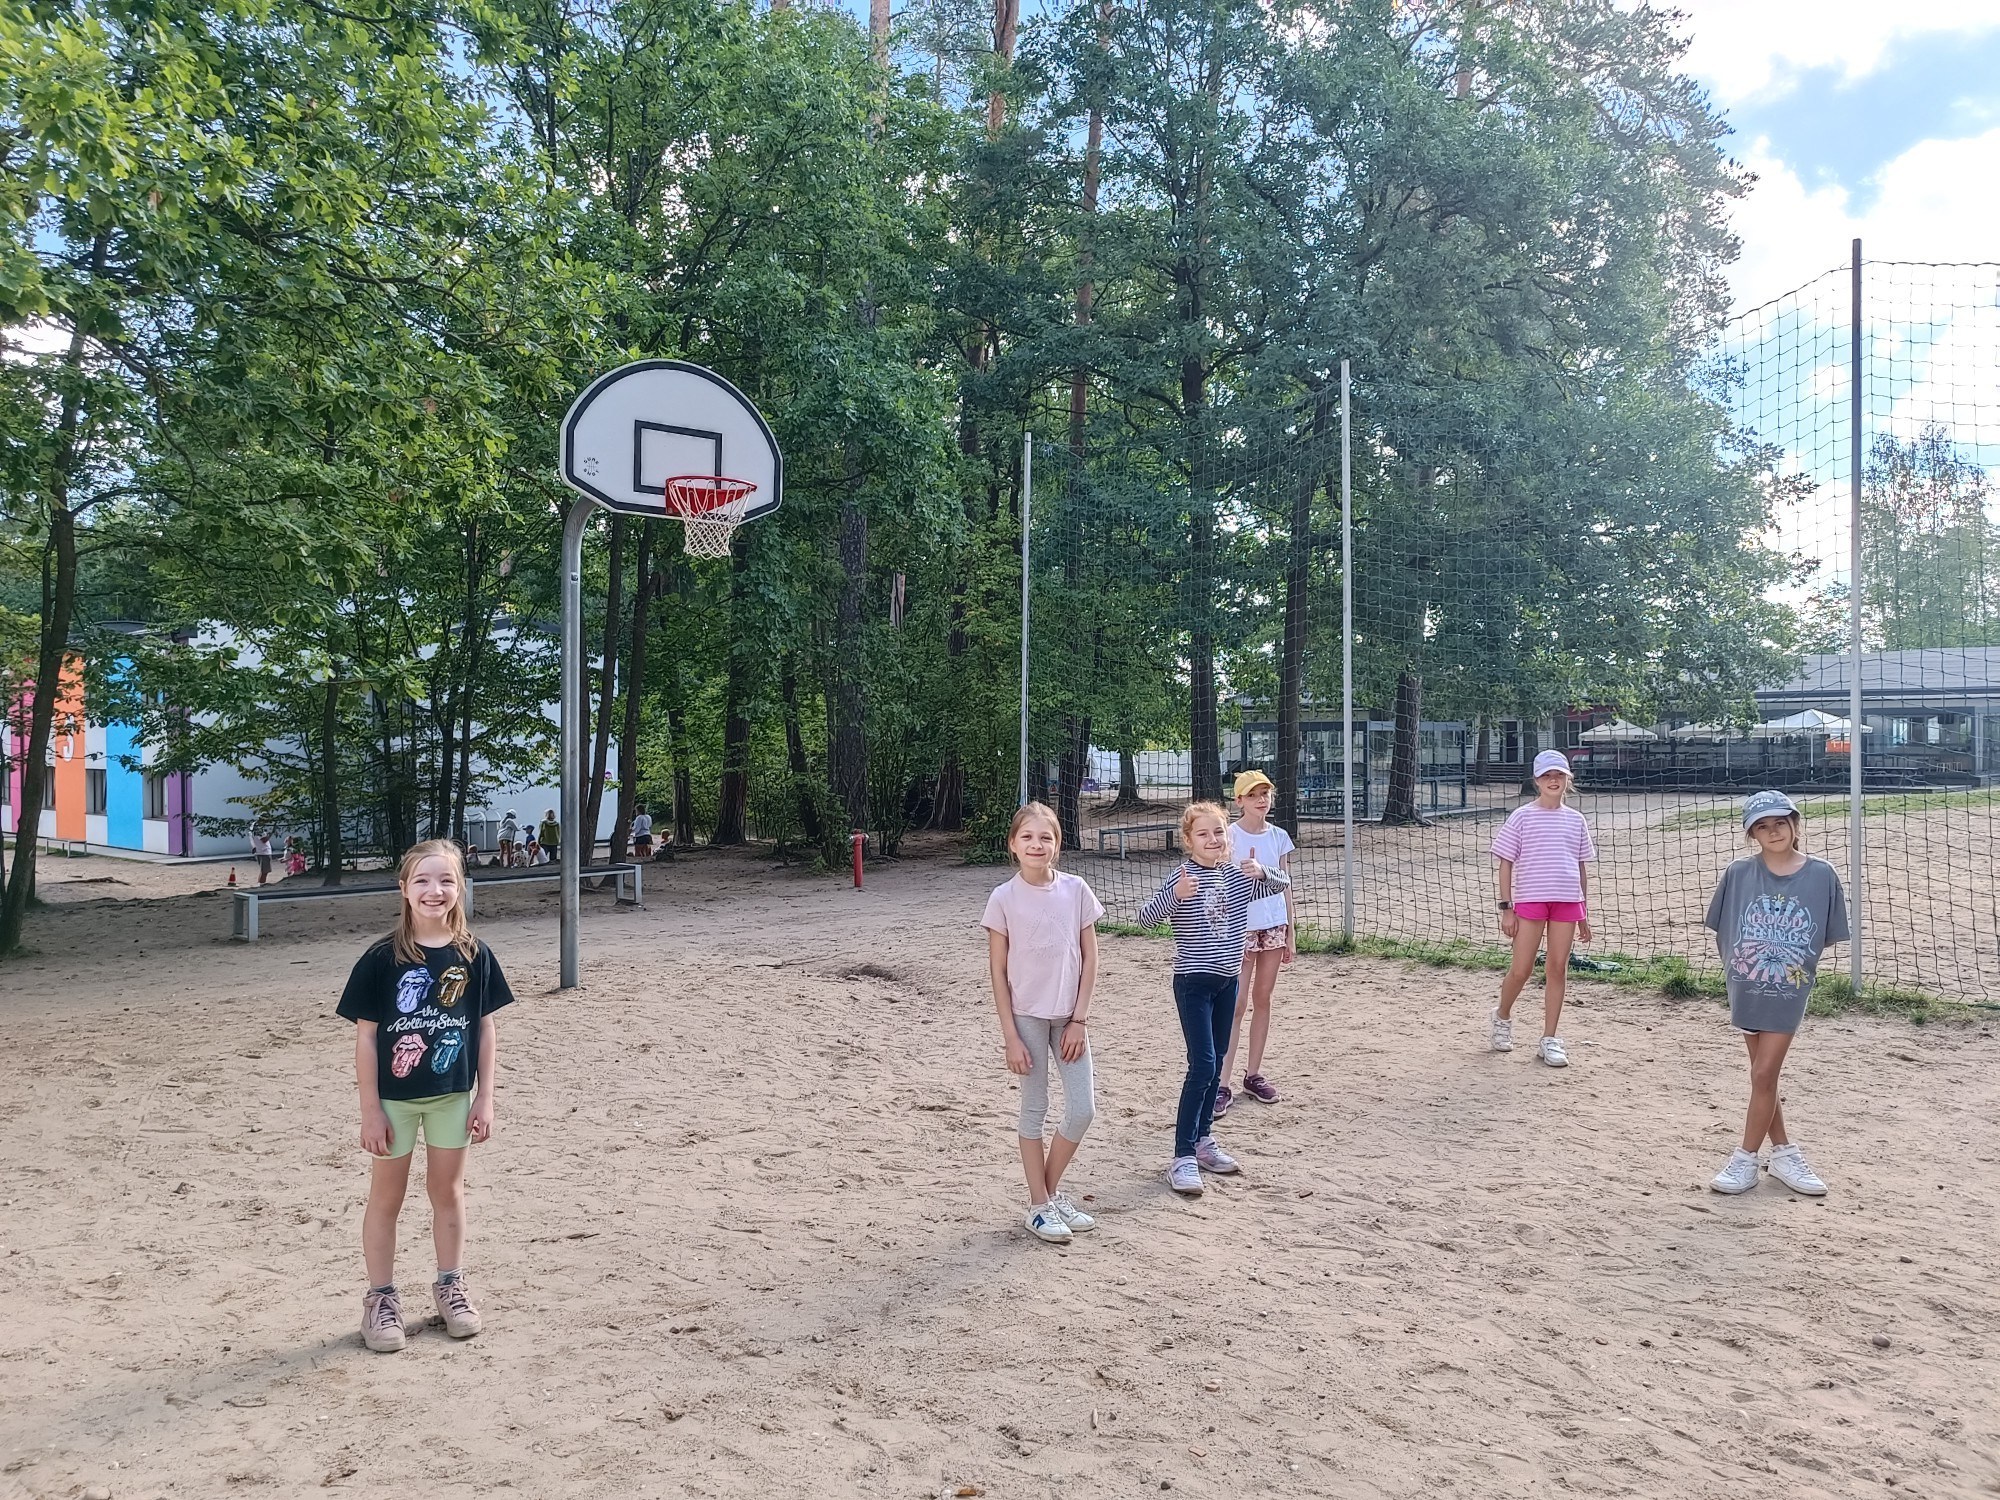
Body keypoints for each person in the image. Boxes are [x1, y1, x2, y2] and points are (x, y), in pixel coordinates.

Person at [336, 838, 516, 1353]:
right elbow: (366, 1038)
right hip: (394, 1100)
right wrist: (370, 1110)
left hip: (451, 1096)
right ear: (403, 888)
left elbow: (485, 1029)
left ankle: (450, 1285)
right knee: (386, 1197)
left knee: (447, 1192)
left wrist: (485, 1097)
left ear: (460, 888)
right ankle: (380, 1299)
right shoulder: (381, 959)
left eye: (445, 880)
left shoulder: (475, 955)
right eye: (422, 880)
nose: (434, 890)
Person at [1139, 801, 1291, 1196]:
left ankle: (1204, 1141)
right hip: (1193, 983)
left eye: (1219, 832)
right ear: (1188, 840)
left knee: (1217, 1059)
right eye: (1203, 833)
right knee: (1203, 1065)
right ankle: (1182, 1156)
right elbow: (1145, 918)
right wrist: (1176, 896)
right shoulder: (1182, 877)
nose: (1213, 839)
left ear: (1228, 836)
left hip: (1227, 983)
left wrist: (1264, 871)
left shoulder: (1239, 876)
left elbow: (1282, 884)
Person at [1704, 790, 1850, 1197]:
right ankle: (1784, 1153)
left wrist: (1789, 964)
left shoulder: (1821, 874)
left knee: (1764, 1073)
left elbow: (1822, 936)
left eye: (1780, 823)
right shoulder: (1738, 872)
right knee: (1762, 1077)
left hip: (1789, 989)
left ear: (1794, 824)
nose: (1773, 832)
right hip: (1746, 984)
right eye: (1762, 826)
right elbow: (1725, 928)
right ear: (1752, 833)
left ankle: (1745, 1160)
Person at [982, 801, 1105, 1244]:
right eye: (1028, 837)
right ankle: (1039, 1206)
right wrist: (1010, 1037)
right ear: (1013, 844)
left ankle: (1046, 1197)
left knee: (1082, 1109)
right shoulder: (1003, 898)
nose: (1037, 845)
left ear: (1058, 844)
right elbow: (998, 972)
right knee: (1034, 1109)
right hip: (1027, 1018)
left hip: (1069, 1019)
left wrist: (1080, 1019)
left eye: (1046, 837)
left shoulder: (1076, 890)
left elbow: (1090, 957)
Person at [1490, 749, 1597, 1068]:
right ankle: (1502, 1016)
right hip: (1531, 901)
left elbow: (1580, 868)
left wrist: (1583, 912)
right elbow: (1505, 863)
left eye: (1559, 775)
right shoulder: (1522, 817)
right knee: (1521, 969)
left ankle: (1550, 1039)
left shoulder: (1576, 820)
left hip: (1567, 902)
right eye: (1546, 775)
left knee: (1557, 968)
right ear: (1536, 780)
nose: (1553, 780)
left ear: (1568, 779)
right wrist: (1507, 908)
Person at [1215, 770, 1296, 1115]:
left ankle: (1253, 1074)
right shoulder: (1228, 836)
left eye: (1265, 793)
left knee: (1263, 998)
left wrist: (1291, 932)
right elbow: (1218, 882)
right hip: (1240, 928)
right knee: (1236, 1004)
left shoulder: (1279, 836)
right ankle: (1222, 1083)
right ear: (1239, 801)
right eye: (1253, 795)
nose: (1261, 800)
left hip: (1273, 925)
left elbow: (1286, 885)